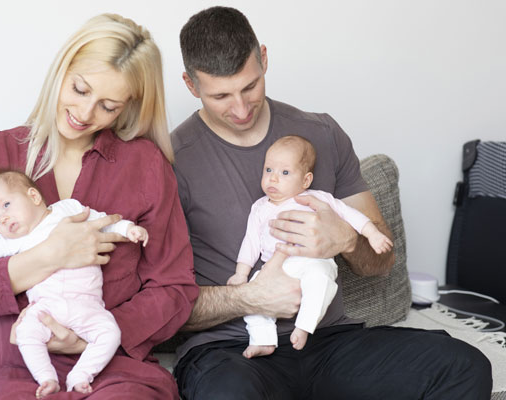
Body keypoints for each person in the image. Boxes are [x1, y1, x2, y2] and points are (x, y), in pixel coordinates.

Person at [171, 6, 492, 399]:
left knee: (464, 366)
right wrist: (247, 297)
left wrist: (347, 240)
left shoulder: (321, 133)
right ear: (190, 85)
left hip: (329, 343)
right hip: (231, 351)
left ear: (264, 58)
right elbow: (158, 307)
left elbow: (383, 261)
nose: (240, 109)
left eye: (250, 86)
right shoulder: (171, 161)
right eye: (221, 96)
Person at [0, 13, 198, 399]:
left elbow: (174, 287)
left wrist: (94, 335)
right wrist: (52, 253)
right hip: (12, 364)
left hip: (110, 364)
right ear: (62, 70)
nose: (85, 113)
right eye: (80, 89)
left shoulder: (145, 165)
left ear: (128, 107)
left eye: (108, 106)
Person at [0, 170, 148, 397]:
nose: (3, 218)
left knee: (110, 333)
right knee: (25, 332)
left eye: (6, 205)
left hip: (87, 305)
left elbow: (102, 221)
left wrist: (128, 229)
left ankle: (81, 375)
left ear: (33, 196)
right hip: (46, 307)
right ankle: (46, 378)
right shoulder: (10, 241)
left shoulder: (68, 209)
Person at [228, 136, 392, 359]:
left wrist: (372, 234)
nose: (273, 178)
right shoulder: (259, 208)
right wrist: (241, 273)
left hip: (313, 261)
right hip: (275, 269)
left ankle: (304, 326)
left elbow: (350, 215)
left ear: (306, 180)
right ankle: (262, 339)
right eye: (268, 170)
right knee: (251, 297)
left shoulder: (316, 198)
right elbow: (250, 241)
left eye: (285, 172)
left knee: (321, 281)